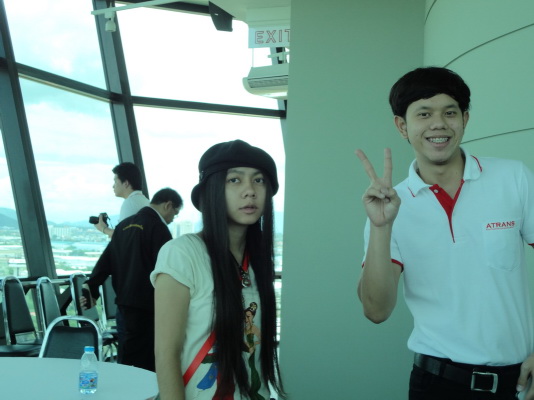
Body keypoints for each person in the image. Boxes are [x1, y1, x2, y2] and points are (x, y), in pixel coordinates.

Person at [355, 66, 534, 400]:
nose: (438, 124)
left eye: (449, 113)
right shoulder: (389, 207)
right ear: (402, 126)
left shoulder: (514, 178)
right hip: (436, 384)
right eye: (424, 114)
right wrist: (381, 227)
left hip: (518, 384)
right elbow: (376, 311)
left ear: (465, 119)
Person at [150, 140, 285, 399]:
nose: (250, 191)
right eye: (234, 180)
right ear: (211, 190)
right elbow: (166, 354)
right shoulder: (183, 253)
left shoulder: (257, 262)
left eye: (259, 180)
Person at [86, 188, 183, 371]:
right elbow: (168, 269)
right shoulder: (158, 228)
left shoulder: (123, 225)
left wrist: (91, 288)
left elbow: (105, 261)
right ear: (168, 205)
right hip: (147, 309)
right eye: (175, 213)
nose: (172, 219)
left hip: (123, 306)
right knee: (146, 363)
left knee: (126, 358)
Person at [94, 162, 150, 238]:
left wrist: (103, 229)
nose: (113, 186)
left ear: (126, 183)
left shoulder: (130, 203)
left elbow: (123, 236)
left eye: (115, 181)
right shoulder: (144, 201)